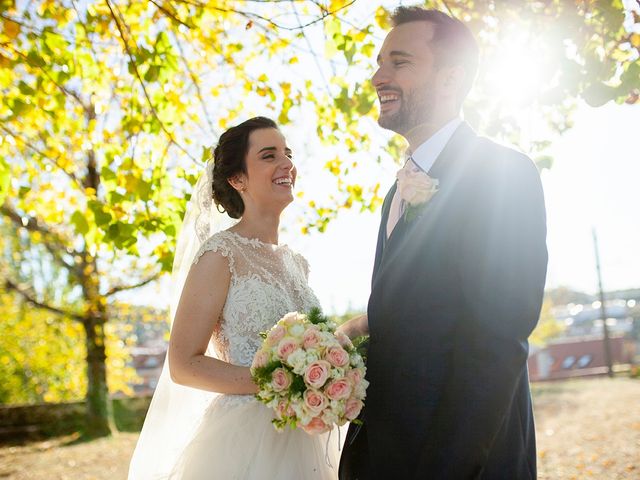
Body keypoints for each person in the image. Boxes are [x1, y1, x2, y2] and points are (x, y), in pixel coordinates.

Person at [338, 6, 548, 479]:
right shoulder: (396, 190)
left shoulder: (503, 174)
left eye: (399, 62)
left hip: (460, 462)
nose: (378, 76)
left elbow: (496, 338)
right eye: (378, 62)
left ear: (451, 79)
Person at [128, 117, 340, 479]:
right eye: (269, 156)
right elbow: (183, 364)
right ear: (237, 179)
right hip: (245, 442)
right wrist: (278, 381)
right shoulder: (220, 255)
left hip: (305, 435)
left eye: (287, 153)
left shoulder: (297, 263)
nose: (286, 163)